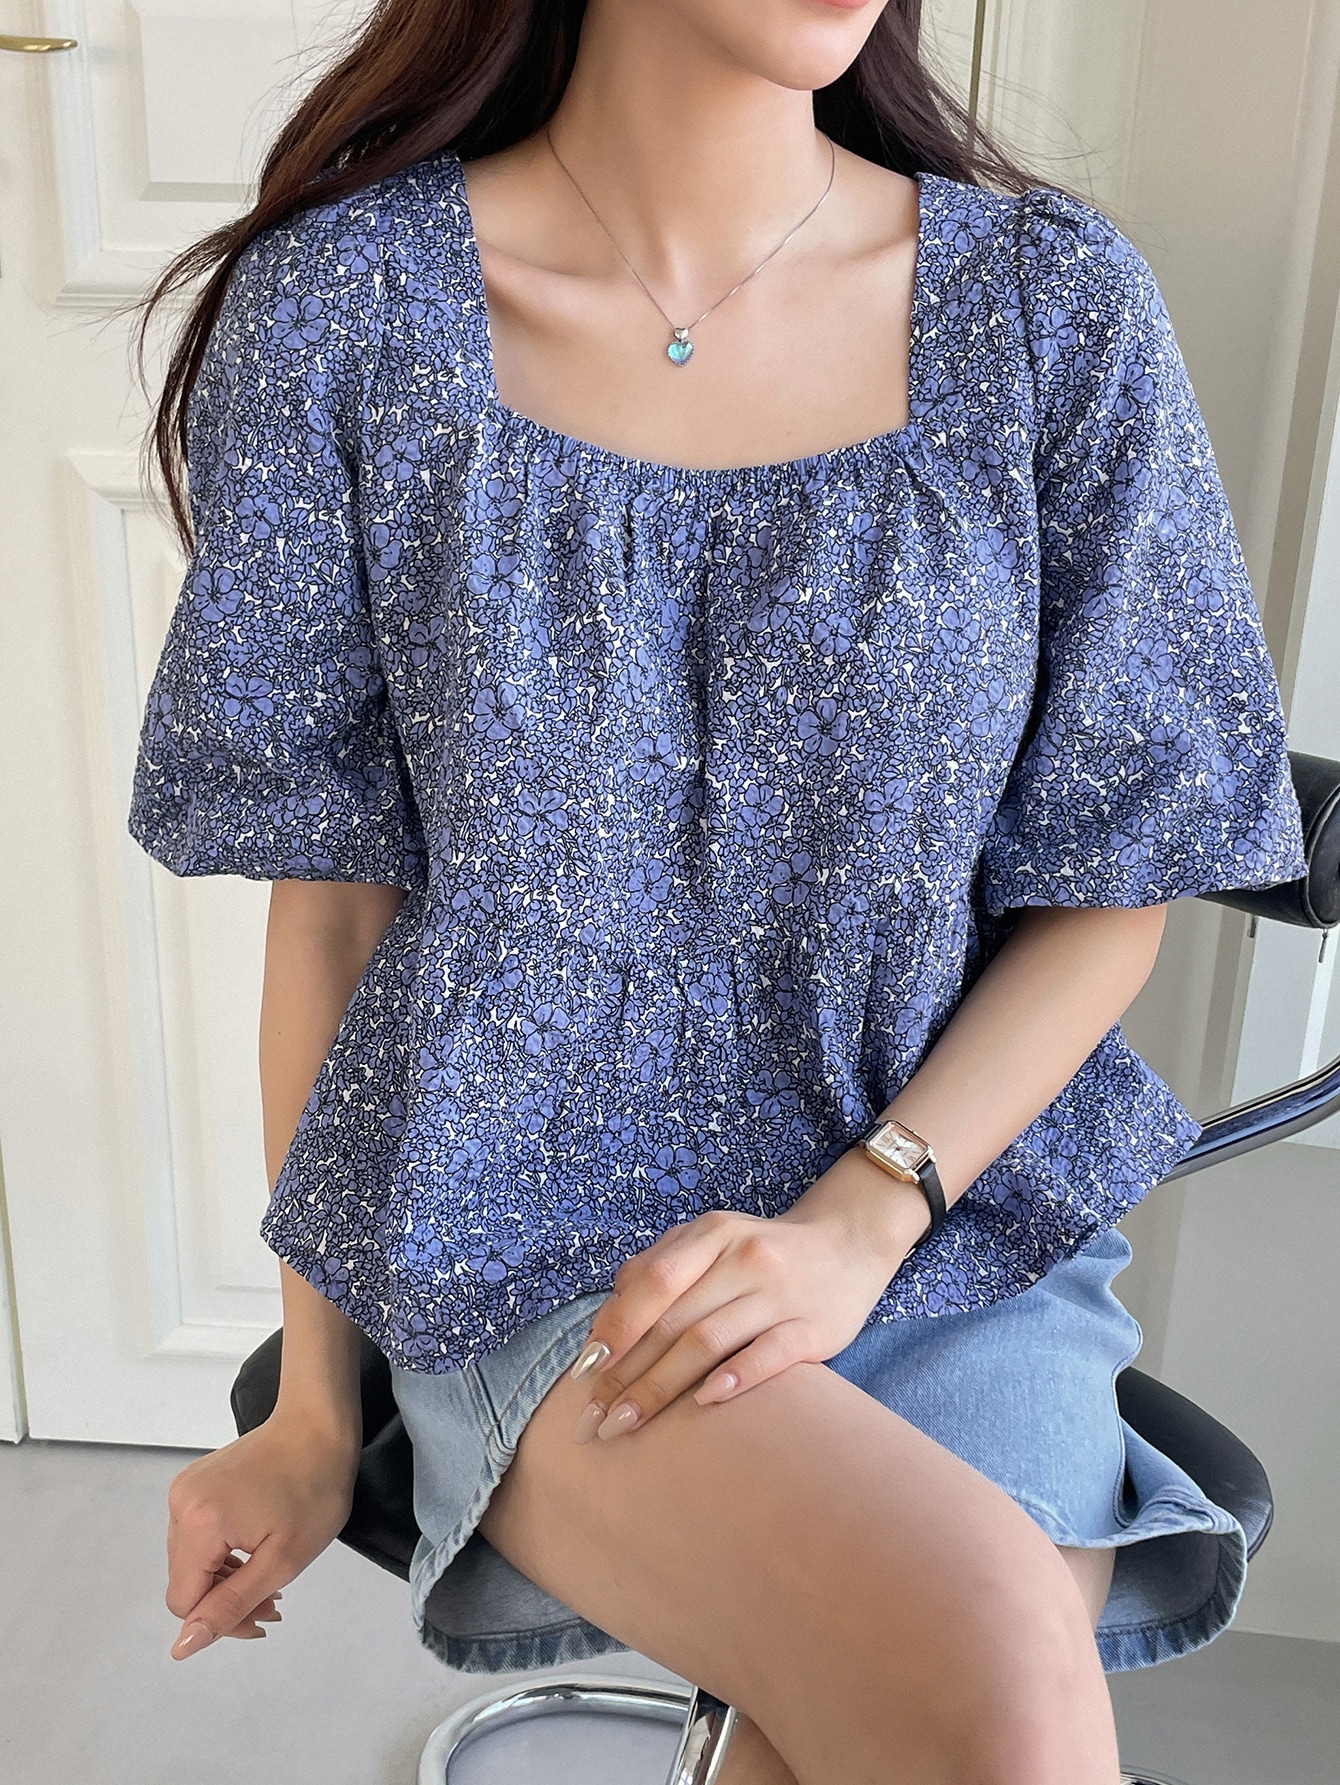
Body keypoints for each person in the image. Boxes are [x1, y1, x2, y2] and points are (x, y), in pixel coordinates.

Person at [127, 2, 1308, 1780]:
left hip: (946, 1219)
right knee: (992, 1671)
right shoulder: (348, 311)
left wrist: (864, 1217)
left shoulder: (1051, 308)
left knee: (907, 1717)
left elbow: (1110, 880)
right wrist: (313, 1403)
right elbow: (337, 919)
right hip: (520, 1232)